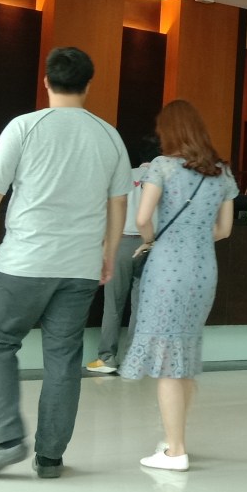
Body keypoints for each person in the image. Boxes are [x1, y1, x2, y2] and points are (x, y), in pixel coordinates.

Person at [0, 47, 130, 479]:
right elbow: (118, 203)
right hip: (79, 268)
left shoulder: (25, 126)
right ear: (88, 85)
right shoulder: (109, 136)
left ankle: (8, 440)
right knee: (63, 358)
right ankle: (50, 457)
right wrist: (108, 254)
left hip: (23, 263)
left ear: (47, 81)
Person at [119, 99, 238, 471]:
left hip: (167, 269)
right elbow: (224, 230)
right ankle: (175, 439)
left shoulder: (162, 166)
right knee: (183, 354)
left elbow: (142, 218)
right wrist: (195, 238)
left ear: (168, 131)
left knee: (168, 363)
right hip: (203, 270)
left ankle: (176, 451)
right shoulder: (222, 172)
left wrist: (152, 240)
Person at [86, 136, 161, 374]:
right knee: (142, 306)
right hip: (152, 245)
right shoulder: (165, 179)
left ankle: (107, 358)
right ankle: (134, 361)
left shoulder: (125, 176)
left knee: (113, 305)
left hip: (121, 243)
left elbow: (108, 209)